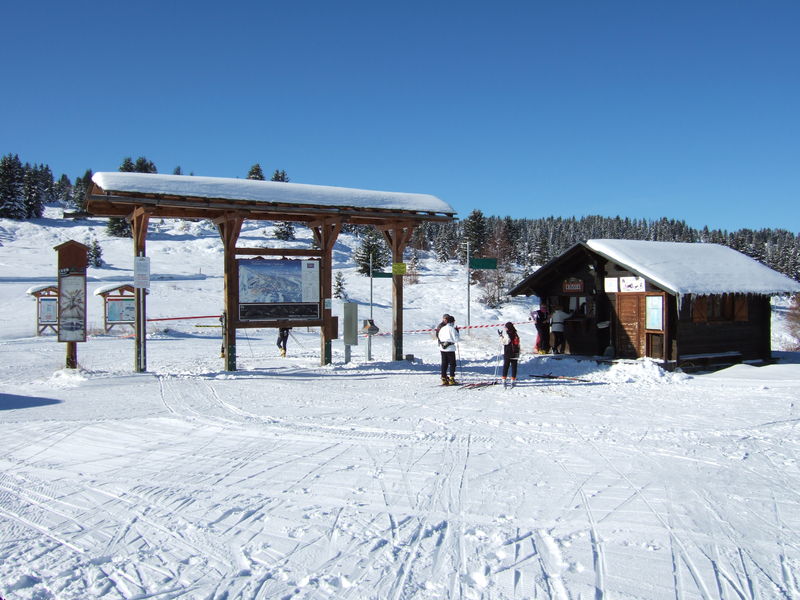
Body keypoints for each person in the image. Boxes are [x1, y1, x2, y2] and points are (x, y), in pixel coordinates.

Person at [437, 314, 460, 385]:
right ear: (452, 322)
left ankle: (443, 377)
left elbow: (439, 337)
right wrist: (457, 332)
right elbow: (456, 339)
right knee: (452, 364)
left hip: (442, 348)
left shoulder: (442, 328)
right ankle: (451, 378)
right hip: (450, 348)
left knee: (444, 363)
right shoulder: (452, 329)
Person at [499, 322, 521, 387]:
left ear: (508, 328)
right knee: (514, 367)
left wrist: (500, 336)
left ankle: (504, 380)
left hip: (508, 353)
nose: (505, 328)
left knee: (506, 366)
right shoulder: (516, 334)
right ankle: (513, 380)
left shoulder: (508, 335)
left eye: (505, 327)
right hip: (515, 353)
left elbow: (504, 342)